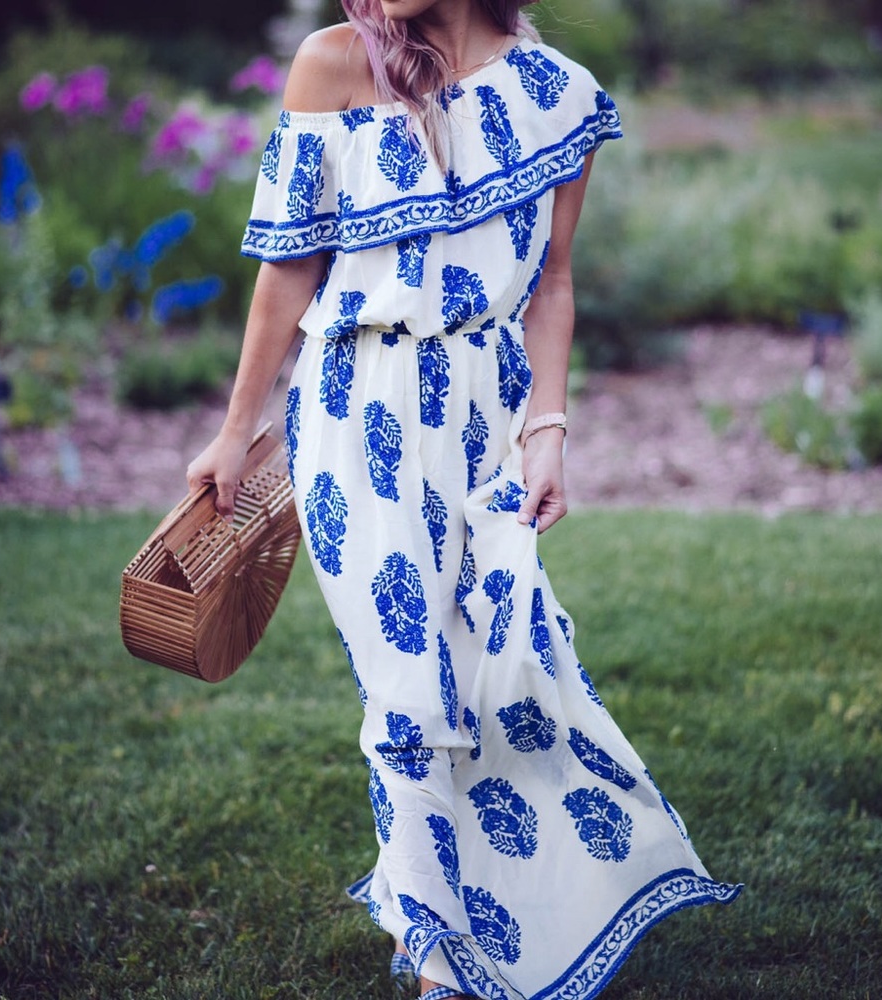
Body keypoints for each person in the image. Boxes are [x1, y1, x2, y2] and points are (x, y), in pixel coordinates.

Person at [187, 1, 742, 997]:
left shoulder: (554, 92)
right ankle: (439, 956)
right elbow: (286, 270)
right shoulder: (329, 65)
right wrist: (235, 429)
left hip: (486, 411)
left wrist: (548, 432)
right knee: (406, 692)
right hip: (355, 407)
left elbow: (554, 282)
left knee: (502, 668)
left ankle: (521, 896)